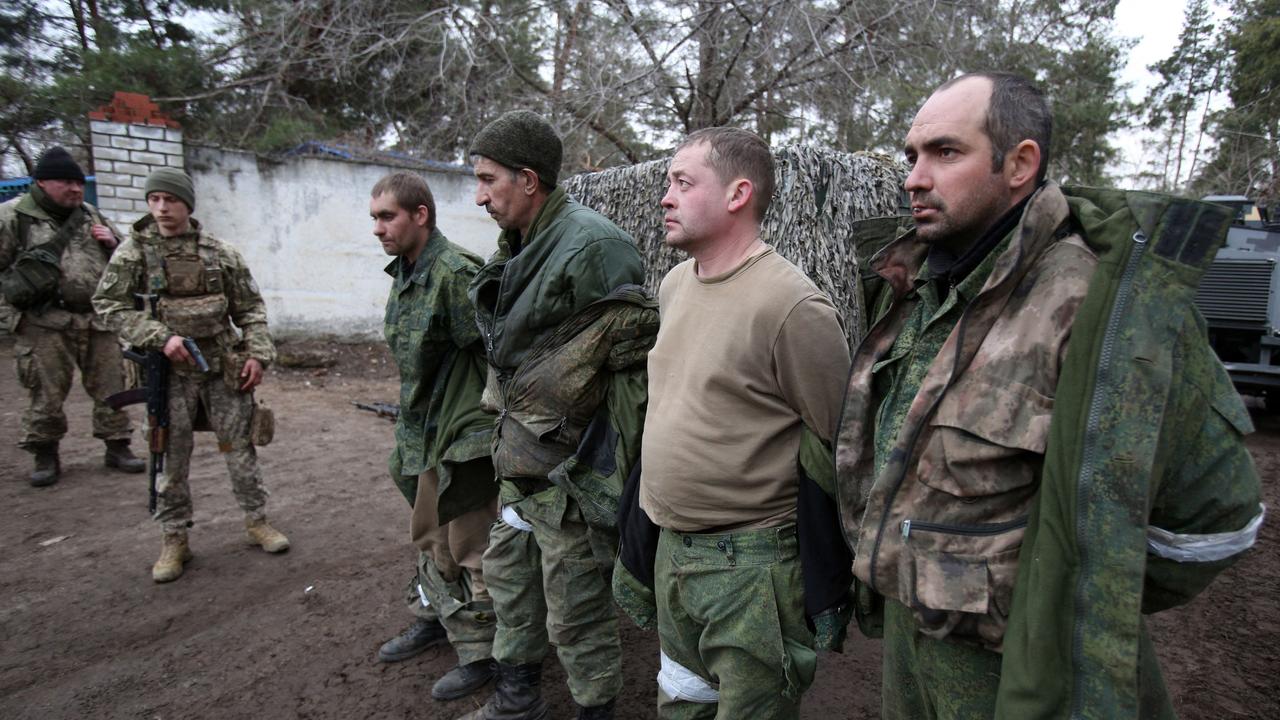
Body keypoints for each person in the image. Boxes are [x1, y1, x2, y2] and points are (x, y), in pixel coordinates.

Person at [833, 72, 1265, 719]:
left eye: (945, 153)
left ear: (1021, 163)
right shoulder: (925, 289)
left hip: (1022, 679)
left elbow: (1218, 520)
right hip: (912, 650)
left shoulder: (1103, 310)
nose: (915, 177)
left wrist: (1072, 595)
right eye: (912, 156)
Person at [637, 127, 852, 718]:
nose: (666, 196)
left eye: (683, 182)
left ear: (737, 194)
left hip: (752, 569)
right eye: (668, 182)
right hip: (672, 553)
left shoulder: (791, 305)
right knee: (682, 700)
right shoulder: (675, 285)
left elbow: (837, 436)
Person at [461, 110, 656, 720]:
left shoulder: (594, 247)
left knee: (575, 604)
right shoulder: (521, 240)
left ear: (527, 178)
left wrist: (604, 480)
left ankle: (594, 708)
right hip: (522, 453)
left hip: (573, 467)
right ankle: (517, 694)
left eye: (488, 179)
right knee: (510, 576)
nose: (479, 195)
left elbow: (628, 379)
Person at [93, 168, 290, 583]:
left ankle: (257, 521)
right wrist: (159, 337)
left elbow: (251, 310)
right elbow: (108, 306)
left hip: (221, 366)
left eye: (171, 199)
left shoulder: (220, 253)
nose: (162, 208)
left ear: (188, 203)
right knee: (170, 454)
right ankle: (174, 536)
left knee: (239, 449)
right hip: (169, 373)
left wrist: (257, 354)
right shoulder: (133, 253)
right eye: (155, 199)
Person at [369, 171, 499, 702]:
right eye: (374, 218)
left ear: (420, 214)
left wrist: (478, 429)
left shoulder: (454, 273)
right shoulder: (406, 271)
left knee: (472, 546)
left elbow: (498, 355)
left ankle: (484, 653)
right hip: (420, 429)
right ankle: (435, 618)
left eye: (387, 216)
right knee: (428, 536)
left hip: (460, 434)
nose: (378, 228)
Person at [0, 146, 144, 486]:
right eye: (66, 182)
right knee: (46, 391)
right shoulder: (14, 218)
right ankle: (45, 452)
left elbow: (128, 258)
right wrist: (12, 318)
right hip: (44, 322)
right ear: (41, 183)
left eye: (78, 183)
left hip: (96, 318)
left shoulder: (91, 214)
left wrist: (113, 242)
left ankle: (117, 445)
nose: (75, 189)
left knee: (112, 385)